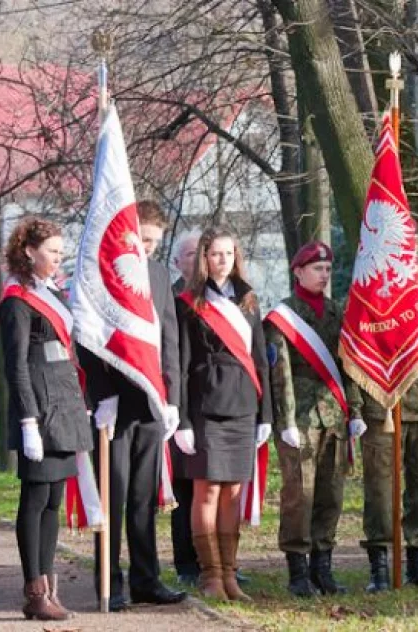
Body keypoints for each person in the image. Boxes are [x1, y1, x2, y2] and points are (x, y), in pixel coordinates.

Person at [79, 201, 186, 612]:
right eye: (142, 240)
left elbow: (170, 340)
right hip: (114, 405)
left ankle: (146, 578)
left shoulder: (159, 276)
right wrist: (101, 393)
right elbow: (88, 337)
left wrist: (172, 398)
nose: (148, 249)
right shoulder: (105, 273)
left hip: (151, 404)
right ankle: (111, 582)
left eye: (155, 242)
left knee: (144, 498)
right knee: (114, 496)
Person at [0, 217, 92, 620]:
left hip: (63, 405)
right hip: (38, 408)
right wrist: (27, 422)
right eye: (52, 251)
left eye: (59, 252)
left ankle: (49, 589)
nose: (58, 258)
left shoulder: (51, 292)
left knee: (54, 498)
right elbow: (17, 366)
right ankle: (34, 591)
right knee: (35, 499)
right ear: (29, 251)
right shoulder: (17, 299)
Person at [175, 226, 273, 601]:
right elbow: (180, 363)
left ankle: (231, 575)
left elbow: (261, 360)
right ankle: (211, 576)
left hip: (244, 405)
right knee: (207, 490)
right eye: (216, 254)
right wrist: (181, 418)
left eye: (229, 254)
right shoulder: (189, 302)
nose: (222, 261)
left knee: (234, 492)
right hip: (205, 406)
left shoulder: (248, 300)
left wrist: (267, 413)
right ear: (203, 258)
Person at [348, 277, 418, 593]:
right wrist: (355, 408)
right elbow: (353, 352)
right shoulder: (364, 289)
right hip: (380, 406)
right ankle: (380, 566)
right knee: (381, 492)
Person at [264, 241, 352, 597]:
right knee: (299, 494)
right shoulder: (283, 316)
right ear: (298, 271)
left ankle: (323, 566)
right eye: (317, 269)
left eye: (328, 269)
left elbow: (349, 366)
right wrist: (285, 423)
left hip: (333, 415)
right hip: (299, 417)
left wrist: (355, 412)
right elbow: (280, 373)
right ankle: (297, 570)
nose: (324, 275)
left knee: (331, 492)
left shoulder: (337, 313)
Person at [167, 228, 203, 586]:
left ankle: (217, 561)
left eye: (201, 252)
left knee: (212, 487)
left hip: (213, 404)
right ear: (177, 262)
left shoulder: (218, 297)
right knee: (184, 490)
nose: (198, 258)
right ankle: (186, 564)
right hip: (180, 403)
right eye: (190, 254)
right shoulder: (171, 297)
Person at [171, 229, 201, 296]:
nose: (199, 257)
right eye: (192, 253)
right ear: (177, 263)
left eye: (202, 253)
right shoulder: (169, 298)